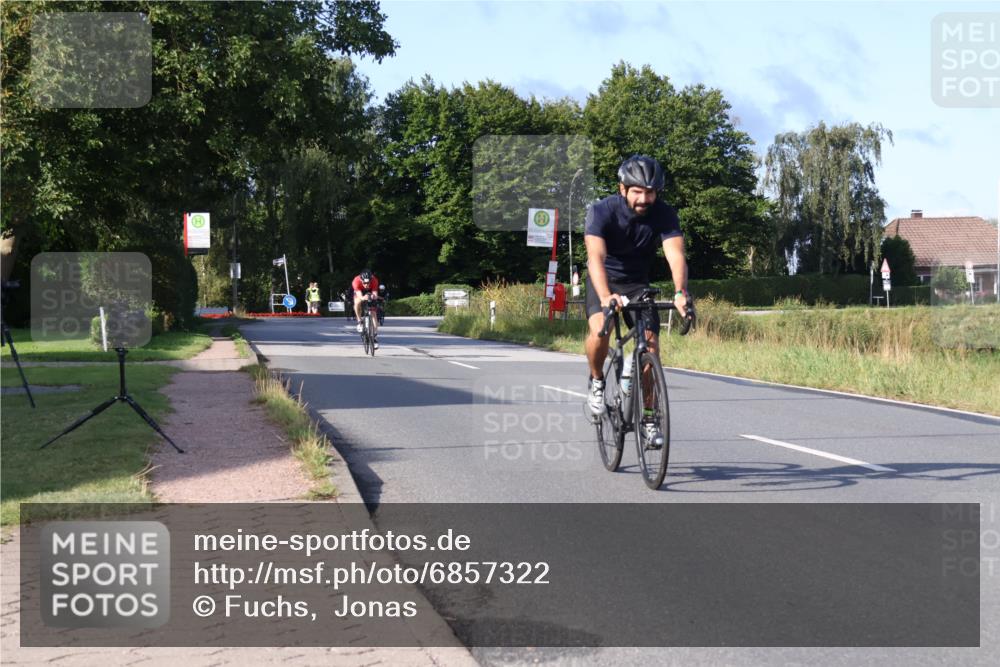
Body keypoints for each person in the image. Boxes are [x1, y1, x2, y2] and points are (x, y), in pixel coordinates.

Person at [583, 155, 691, 448]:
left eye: (650, 192)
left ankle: (649, 417)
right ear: (623, 189)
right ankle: (596, 382)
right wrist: (606, 297)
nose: (644, 198)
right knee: (599, 330)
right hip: (604, 280)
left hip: (638, 284)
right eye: (637, 192)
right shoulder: (601, 211)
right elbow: (596, 257)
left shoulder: (665, 214)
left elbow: (675, 254)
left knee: (651, 348)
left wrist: (681, 293)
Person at [352, 269, 381, 349]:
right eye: (364, 283)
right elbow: (359, 295)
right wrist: (362, 298)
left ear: (371, 280)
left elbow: (375, 292)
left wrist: (373, 296)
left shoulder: (374, 280)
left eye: (368, 283)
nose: (366, 284)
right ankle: (359, 321)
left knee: (374, 313)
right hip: (360, 292)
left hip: (370, 292)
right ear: (361, 280)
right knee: (357, 302)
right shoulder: (356, 281)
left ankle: (374, 337)